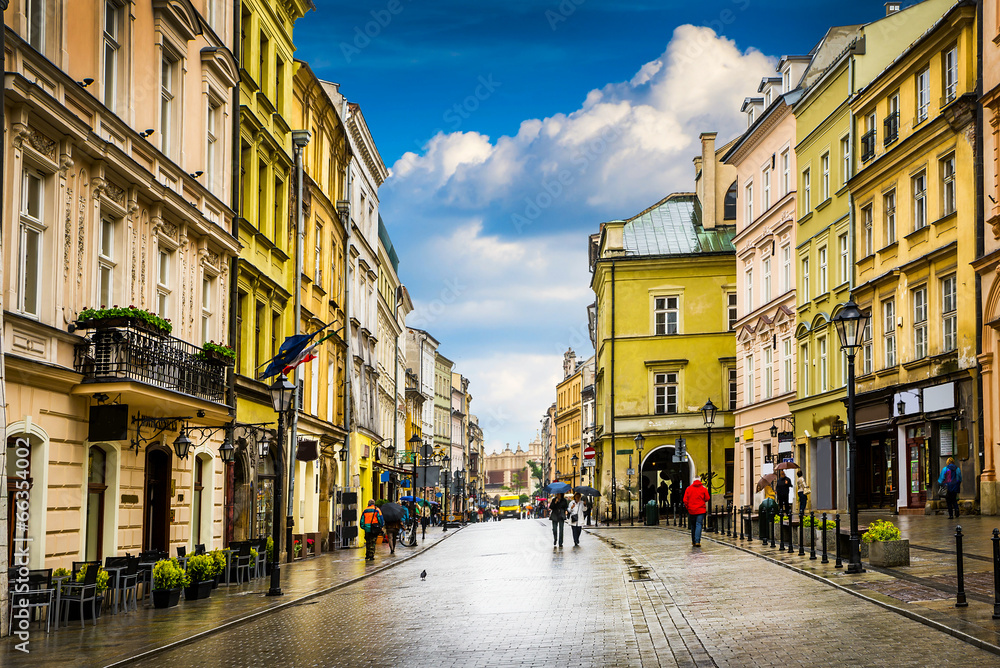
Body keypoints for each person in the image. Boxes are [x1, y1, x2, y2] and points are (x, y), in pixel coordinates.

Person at [682, 478, 711, 547]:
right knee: (699, 524)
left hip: (691, 510)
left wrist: (688, 507)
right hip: (701, 510)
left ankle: (693, 541)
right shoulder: (703, 488)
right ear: (700, 481)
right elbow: (707, 498)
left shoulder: (688, 489)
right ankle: (697, 541)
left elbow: (685, 500)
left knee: (693, 525)